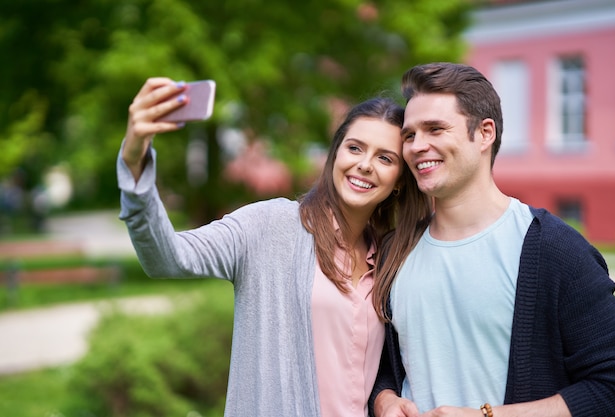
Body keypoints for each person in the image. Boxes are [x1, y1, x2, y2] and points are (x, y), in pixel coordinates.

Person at [116, 77, 431, 417]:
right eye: (354, 148)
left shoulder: (390, 258)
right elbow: (166, 257)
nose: (365, 164)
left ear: (400, 179)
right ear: (335, 153)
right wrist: (135, 161)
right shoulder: (268, 226)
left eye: (385, 158)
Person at [369, 62, 615, 417]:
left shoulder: (554, 250)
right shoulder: (394, 253)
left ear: (485, 133)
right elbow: (380, 366)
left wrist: (487, 416)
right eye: (410, 135)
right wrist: (385, 399)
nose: (416, 146)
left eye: (435, 129)